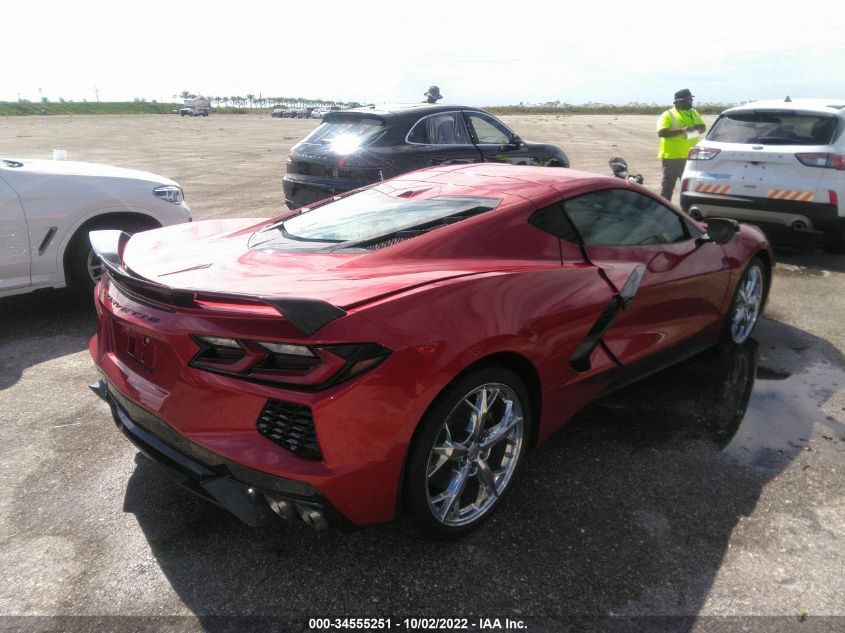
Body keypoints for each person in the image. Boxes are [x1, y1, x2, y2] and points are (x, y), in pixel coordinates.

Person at [656, 88, 706, 200]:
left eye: (691, 99)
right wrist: (682, 130)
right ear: (679, 101)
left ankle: (688, 213)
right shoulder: (668, 114)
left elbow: (703, 127)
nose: (691, 102)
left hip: (691, 157)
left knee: (691, 188)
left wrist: (694, 129)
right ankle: (664, 211)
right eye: (688, 99)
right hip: (672, 158)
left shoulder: (693, 112)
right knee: (667, 188)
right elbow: (661, 132)